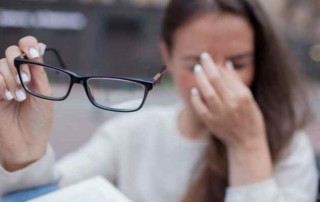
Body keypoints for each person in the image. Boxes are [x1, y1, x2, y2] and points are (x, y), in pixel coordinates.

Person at [0, 0, 318, 201]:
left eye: (237, 64)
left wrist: (247, 145)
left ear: (259, 62)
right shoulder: (131, 132)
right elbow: (57, 190)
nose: (217, 80)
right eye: (196, 64)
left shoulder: (288, 147)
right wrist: (24, 157)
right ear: (166, 57)